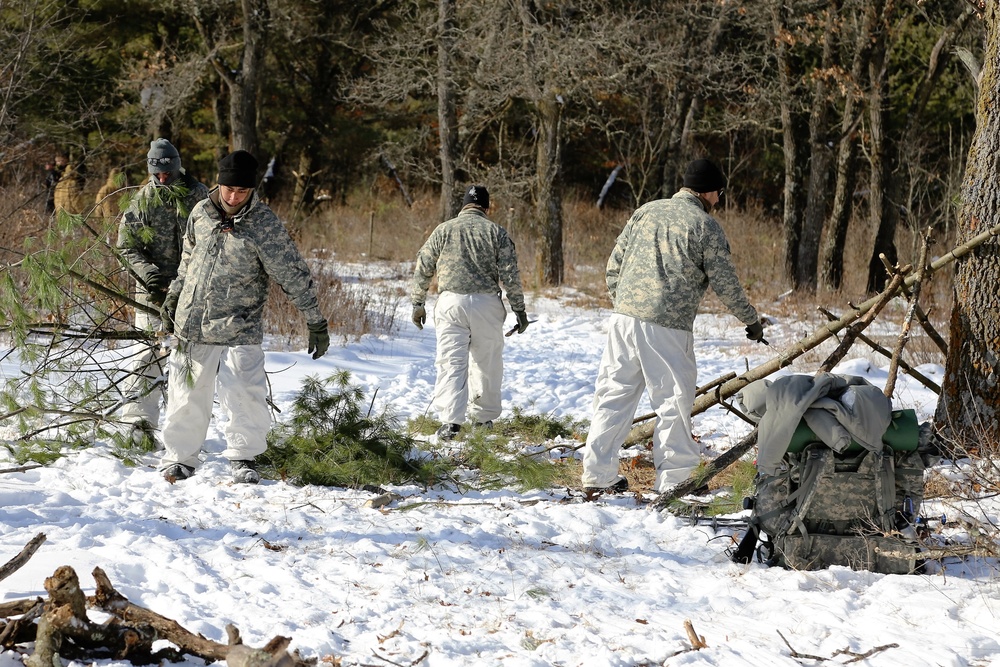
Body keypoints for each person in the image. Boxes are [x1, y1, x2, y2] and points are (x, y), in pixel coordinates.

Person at [581, 158, 766, 496]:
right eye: (719, 193)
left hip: (623, 320)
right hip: (667, 326)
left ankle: (597, 475)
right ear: (710, 191)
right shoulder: (704, 226)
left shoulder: (645, 212)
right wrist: (751, 320)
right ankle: (678, 478)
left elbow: (614, 265)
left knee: (613, 395)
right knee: (673, 402)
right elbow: (726, 284)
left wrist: (625, 304)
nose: (719, 200)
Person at [157, 149, 330, 484]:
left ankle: (244, 457)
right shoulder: (200, 213)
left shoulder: (263, 225)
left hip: (241, 323)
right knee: (186, 392)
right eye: (229, 189)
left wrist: (314, 318)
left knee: (245, 393)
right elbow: (187, 259)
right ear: (218, 184)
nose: (234, 197)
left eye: (242, 191)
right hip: (193, 321)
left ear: (252, 190)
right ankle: (180, 457)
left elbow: (292, 273)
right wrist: (174, 295)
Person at [410, 185, 529, 440]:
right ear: (486, 208)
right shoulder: (496, 232)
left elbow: (423, 266)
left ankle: (450, 423)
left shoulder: (443, 230)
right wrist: (519, 310)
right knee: (487, 363)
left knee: (451, 362)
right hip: (486, 304)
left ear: (463, 206)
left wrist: (418, 303)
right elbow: (511, 275)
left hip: (451, 303)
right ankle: (483, 420)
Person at [117, 139, 209, 446]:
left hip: (191, 293)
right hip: (153, 294)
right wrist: (150, 276)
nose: (163, 179)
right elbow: (126, 246)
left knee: (190, 362)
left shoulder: (200, 197)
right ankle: (137, 425)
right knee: (147, 356)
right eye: (157, 174)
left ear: (177, 166)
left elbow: (213, 245)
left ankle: (184, 433)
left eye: (168, 173)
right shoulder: (141, 201)